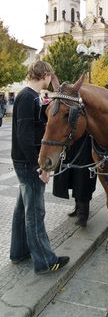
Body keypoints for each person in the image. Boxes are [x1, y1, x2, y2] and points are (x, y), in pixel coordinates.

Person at [10, 60, 70, 274]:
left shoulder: (30, 96)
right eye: (49, 75)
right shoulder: (27, 97)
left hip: (23, 162)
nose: (50, 78)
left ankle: (18, 252)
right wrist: (41, 167)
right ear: (44, 74)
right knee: (35, 212)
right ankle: (45, 261)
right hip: (28, 164)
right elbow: (25, 136)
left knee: (22, 209)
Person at [52, 135, 96, 227]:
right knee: (75, 179)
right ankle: (78, 208)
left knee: (83, 180)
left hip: (86, 145)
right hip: (73, 143)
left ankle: (83, 215)